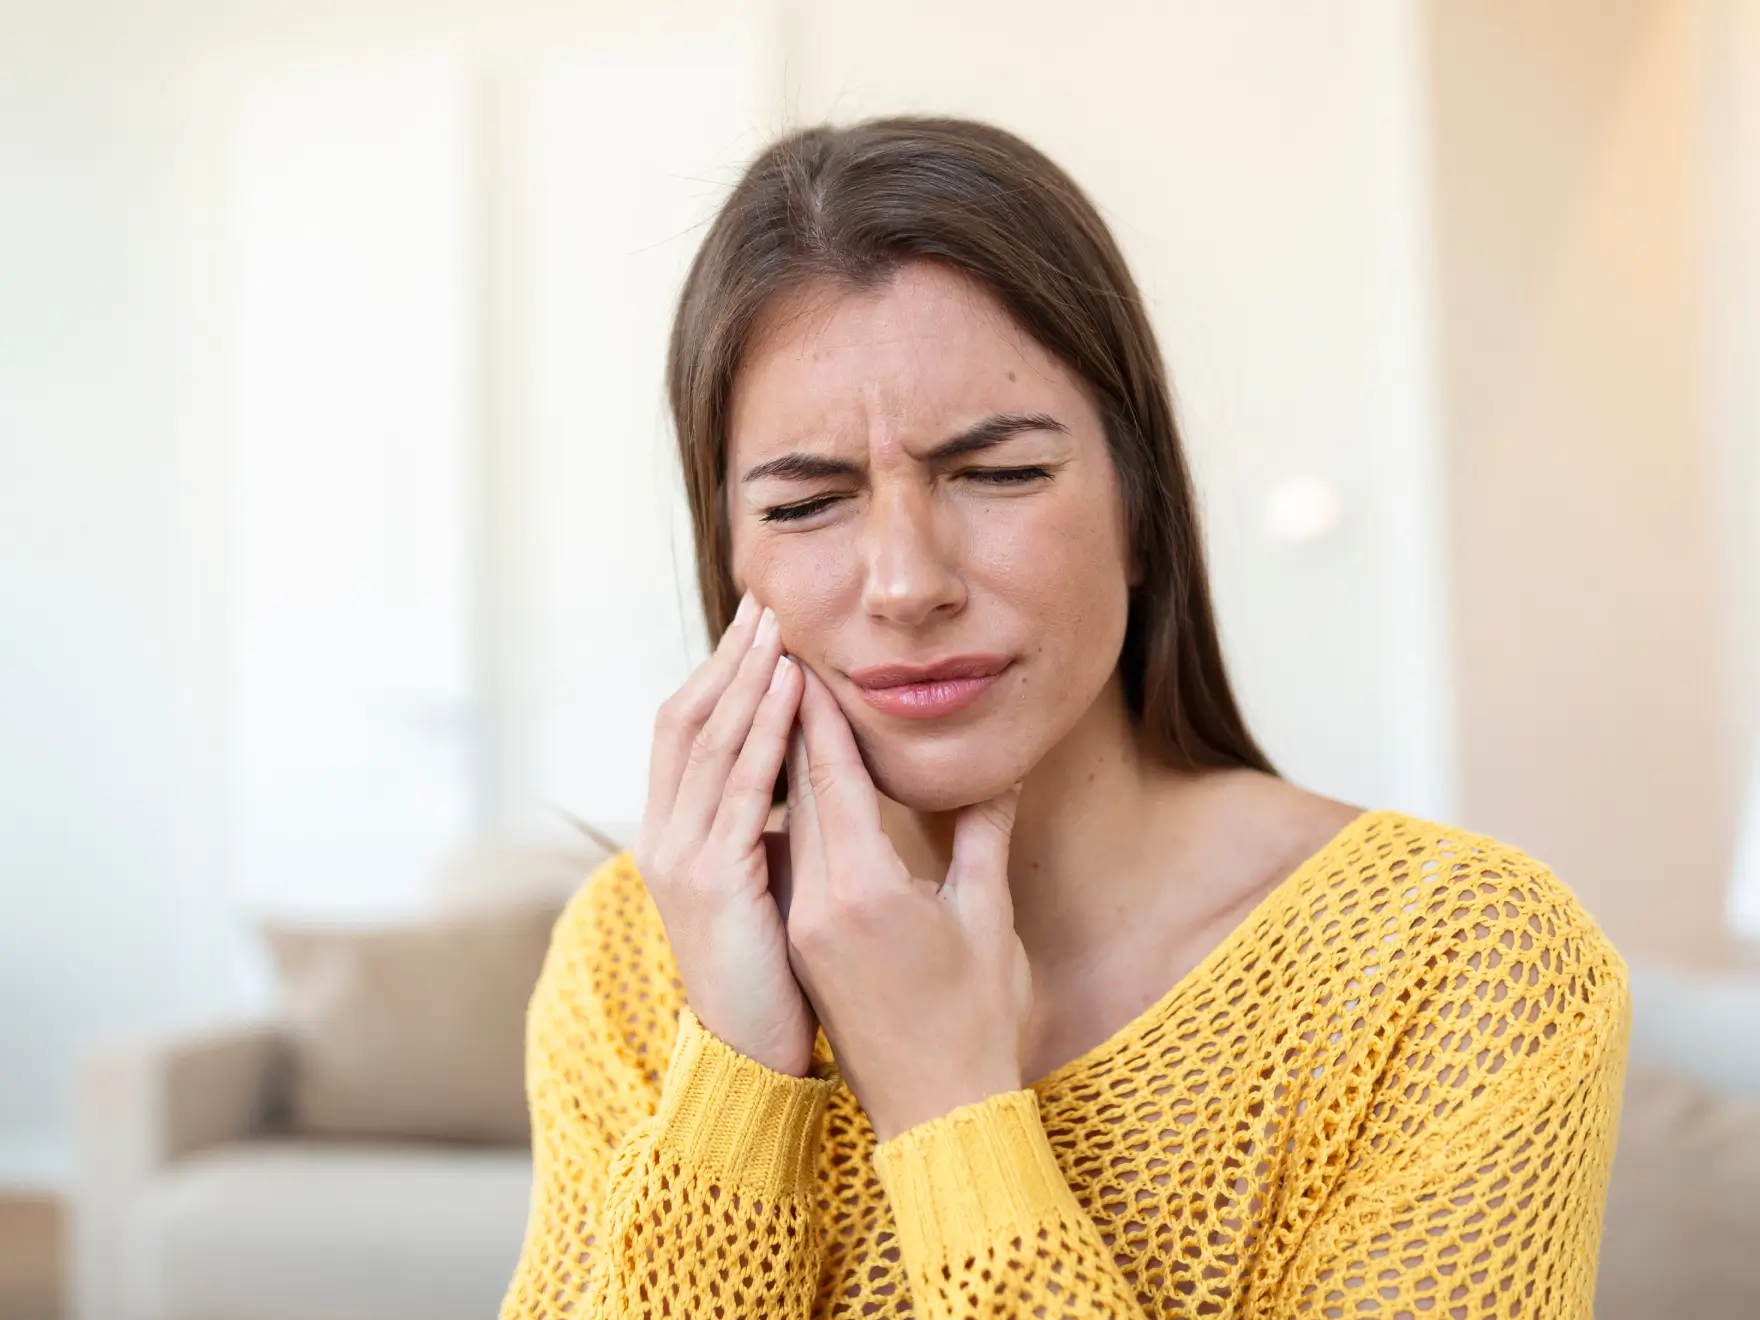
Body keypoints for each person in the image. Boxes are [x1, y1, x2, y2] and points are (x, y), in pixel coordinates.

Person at [500, 116, 1630, 1320]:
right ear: (731, 562)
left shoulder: (1460, 963)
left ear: (1142, 511)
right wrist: (733, 1079)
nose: (905, 584)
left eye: (998, 474)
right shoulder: (633, 958)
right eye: (807, 502)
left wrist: (946, 1106)